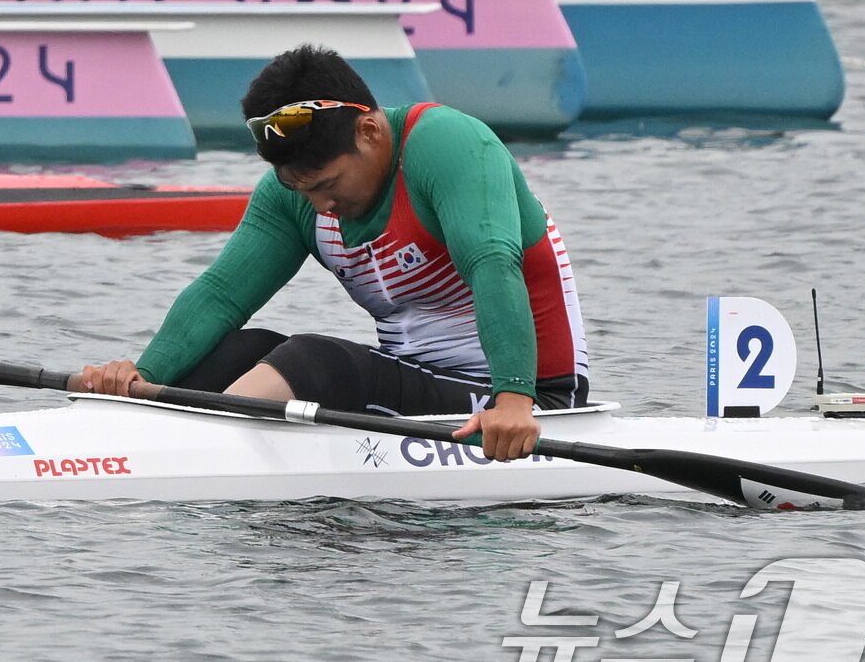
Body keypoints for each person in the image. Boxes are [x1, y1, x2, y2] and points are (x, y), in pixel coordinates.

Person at [81, 44, 588, 461]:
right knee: (237, 349)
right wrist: (142, 376)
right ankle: (118, 437)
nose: (321, 204)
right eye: (302, 190)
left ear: (369, 131)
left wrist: (515, 400)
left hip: (523, 399)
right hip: (418, 384)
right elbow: (219, 295)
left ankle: (176, 456)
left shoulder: (448, 144)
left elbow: (493, 265)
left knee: (314, 359)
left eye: (327, 184)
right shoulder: (294, 196)